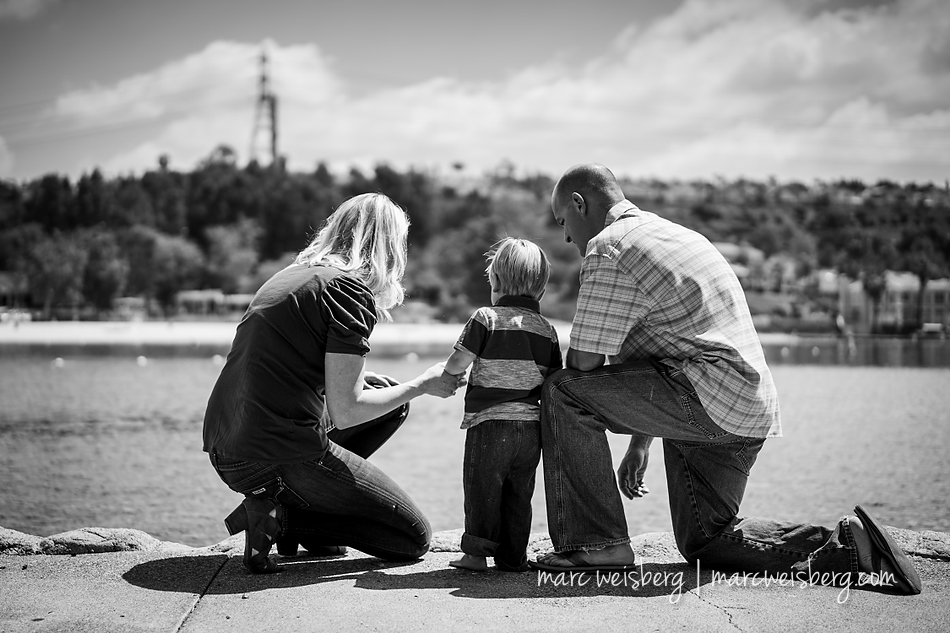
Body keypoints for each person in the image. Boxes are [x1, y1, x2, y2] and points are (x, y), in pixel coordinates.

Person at [530, 163, 921, 595]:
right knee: (705, 539)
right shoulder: (679, 235)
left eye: (564, 222)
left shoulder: (609, 247)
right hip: (744, 407)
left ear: (580, 204)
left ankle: (598, 544)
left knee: (562, 390)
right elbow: (669, 342)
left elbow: (583, 367)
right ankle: (849, 548)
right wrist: (641, 441)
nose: (567, 237)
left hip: (705, 398)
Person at [203, 193, 463, 574]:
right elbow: (347, 411)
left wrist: (363, 384)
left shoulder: (290, 276)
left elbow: (283, 371)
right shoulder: (349, 292)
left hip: (226, 448)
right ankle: (281, 514)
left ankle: (288, 513)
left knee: (391, 403)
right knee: (412, 539)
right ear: (389, 245)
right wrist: (421, 384)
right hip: (272, 453)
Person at [442, 238, 562, 572]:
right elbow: (553, 381)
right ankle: (512, 557)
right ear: (539, 287)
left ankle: (476, 554)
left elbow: (458, 361)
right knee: (518, 494)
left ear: (495, 281)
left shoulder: (485, 317)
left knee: (482, 487)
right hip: (530, 428)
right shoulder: (547, 330)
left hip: (490, 423)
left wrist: (447, 376)